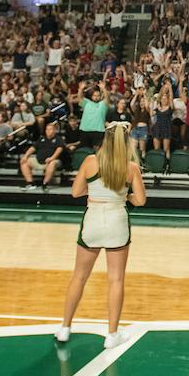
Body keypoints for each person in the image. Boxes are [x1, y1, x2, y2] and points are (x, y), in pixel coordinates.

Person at [56, 122, 147, 349]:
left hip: (93, 219)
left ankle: (65, 328)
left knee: (79, 276)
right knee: (115, 279)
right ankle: (112, 334)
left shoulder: (90, 162)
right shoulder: (131, 167)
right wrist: (124, 197)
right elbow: (141, 200)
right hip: (117, 220)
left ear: (105, 140)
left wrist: (95, 193)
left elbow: (76, 192)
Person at [21, 122, 66, 190]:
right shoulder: (41, 139)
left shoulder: (58, 139)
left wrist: (52, 158)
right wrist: (26, 156)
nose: (48, 131)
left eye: (50, 129)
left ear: (54, 130)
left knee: (52, 163)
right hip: (39, 160)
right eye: (47, 129)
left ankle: (45, 184)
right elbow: (32, 148)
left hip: (53, 161)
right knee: (24, 162)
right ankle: (30, 183)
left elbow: (59, 149)